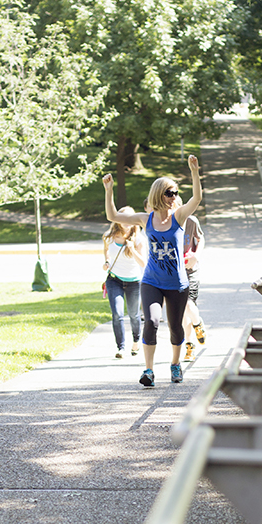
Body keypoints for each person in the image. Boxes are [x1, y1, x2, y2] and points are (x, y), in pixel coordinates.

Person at [103, 155, 202, 386]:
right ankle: (148, 371)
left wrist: (194, 172)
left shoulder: (179, 216)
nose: (173, 197)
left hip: (177, 283)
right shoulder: (146, 219)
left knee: (176, 327)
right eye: (169, 193)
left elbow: (196, 198)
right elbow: (113, 216)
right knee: (152, 321)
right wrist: (109, 191)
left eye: (175, 193)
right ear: (159, 194)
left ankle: (175, 365)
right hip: (151, 281)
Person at [102, 217, 144, 357]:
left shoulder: (138, 239)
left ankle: (136, 341)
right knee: (117, 314)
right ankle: (121, 348)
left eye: (129, 220)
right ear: (118, 220)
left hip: (134, 282)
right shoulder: (109, 236)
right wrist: (107, 261)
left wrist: (132, 249)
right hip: (114, 280)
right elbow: (107, 250)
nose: (126, 223)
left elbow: (143, 263)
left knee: (134, 314)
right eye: (123, 219)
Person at [181, 214, 206, 360]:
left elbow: (200, 238)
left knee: (189, 306)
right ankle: (189, 346)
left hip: (191, 270)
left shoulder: (191, 221)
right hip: (175, 272)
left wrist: (196, 256)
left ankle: (198, 323)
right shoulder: (166, 222)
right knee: (183, 312)